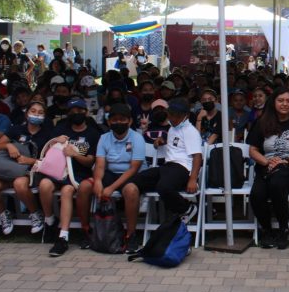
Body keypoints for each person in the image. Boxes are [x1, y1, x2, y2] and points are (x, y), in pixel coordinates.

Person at [247, 87, 289, 250]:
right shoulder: (262, 122)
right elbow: (253, 149)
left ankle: (284, 229)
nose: (285, 104)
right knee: (256, 194)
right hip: (265, 169)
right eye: (281, 100)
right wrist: (267, 162)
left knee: (277, 183)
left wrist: (287, 161)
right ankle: (267, 230)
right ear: (273, 102)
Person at [131, 98, 201, 234]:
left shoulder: (190, 131)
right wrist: (163, 141)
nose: (173, 118)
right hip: (168, 167)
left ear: (185, 115)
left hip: (183, 169)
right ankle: (141, 209)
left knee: (163, 187)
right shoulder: (172, 127)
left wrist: (193, 179)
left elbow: (197, 156)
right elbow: (176, 145)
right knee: (137, 180)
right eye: (171, 114)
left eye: (176, 115)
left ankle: (186, 208)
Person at [0, 101, 54, 237]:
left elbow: (50, 162)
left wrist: (30, 160)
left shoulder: (48, 135)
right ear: (27, 114)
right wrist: (8, 146)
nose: (36, 115)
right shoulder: (15, 130)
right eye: (33, 111)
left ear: (45, 116)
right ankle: (4, 214)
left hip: (30, 172)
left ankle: (35, 213)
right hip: (7, 169)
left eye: (40, 113)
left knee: (19, 184)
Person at [43, 99, 101, 256]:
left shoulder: (93, 134)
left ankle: (66, 235)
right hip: (59, 173)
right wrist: (55, 141)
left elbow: (90, 162)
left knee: (67, 190)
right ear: (68, 113)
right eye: (73, 111)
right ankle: (53, 226)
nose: (77, 114)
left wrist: (75, 155)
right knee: (45, 185)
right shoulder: (61, 129)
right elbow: (47, 152)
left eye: (80, 110)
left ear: (86, 112)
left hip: (81, 174)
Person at [92, 103, 146, 253]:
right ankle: (94, 232)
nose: (118, 123)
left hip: (133, 174)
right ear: (109, 122)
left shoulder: (137, 138)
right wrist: (97, 181)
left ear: (129, 121)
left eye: (122, 120)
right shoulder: (104, 138)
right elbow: (100, 165)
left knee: (130, 190)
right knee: (87, 186)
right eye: (114, 120)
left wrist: (111, 187)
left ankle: (131, 234)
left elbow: (134, 168)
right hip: (111, 172)